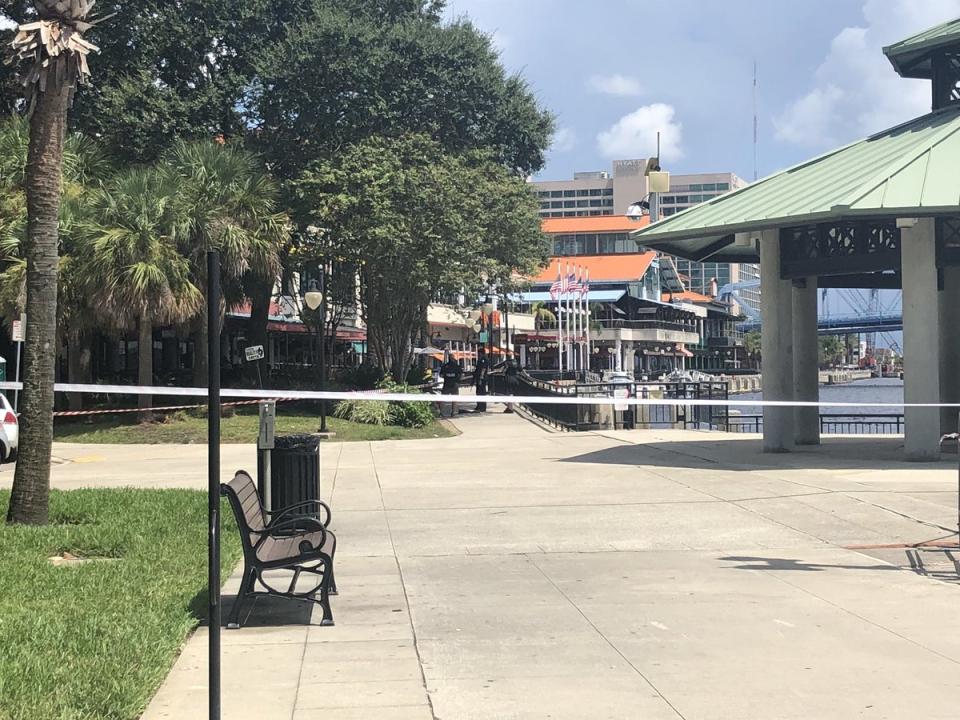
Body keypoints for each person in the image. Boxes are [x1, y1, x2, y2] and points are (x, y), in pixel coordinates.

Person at [439, 352, 462, 418]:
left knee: (443, 399)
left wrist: (446, 376)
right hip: (454, 385)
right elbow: (461, 374)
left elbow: (441, 375)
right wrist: (457, 380)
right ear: (453, 358)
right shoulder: (456, 366)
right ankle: (454, 413)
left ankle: (442, 413)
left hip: (446, 384)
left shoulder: (444, 366)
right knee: (454, 399)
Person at [474, 348, 491, 412]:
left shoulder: (483, 359)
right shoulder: (482, 359)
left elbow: (483, 369)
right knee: (478, 392)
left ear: (481, 353)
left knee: (481, 392)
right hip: (480, 377)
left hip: (482, 378)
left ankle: (482, 406)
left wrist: (481, 378)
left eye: (479, 353)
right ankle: (479, 405)